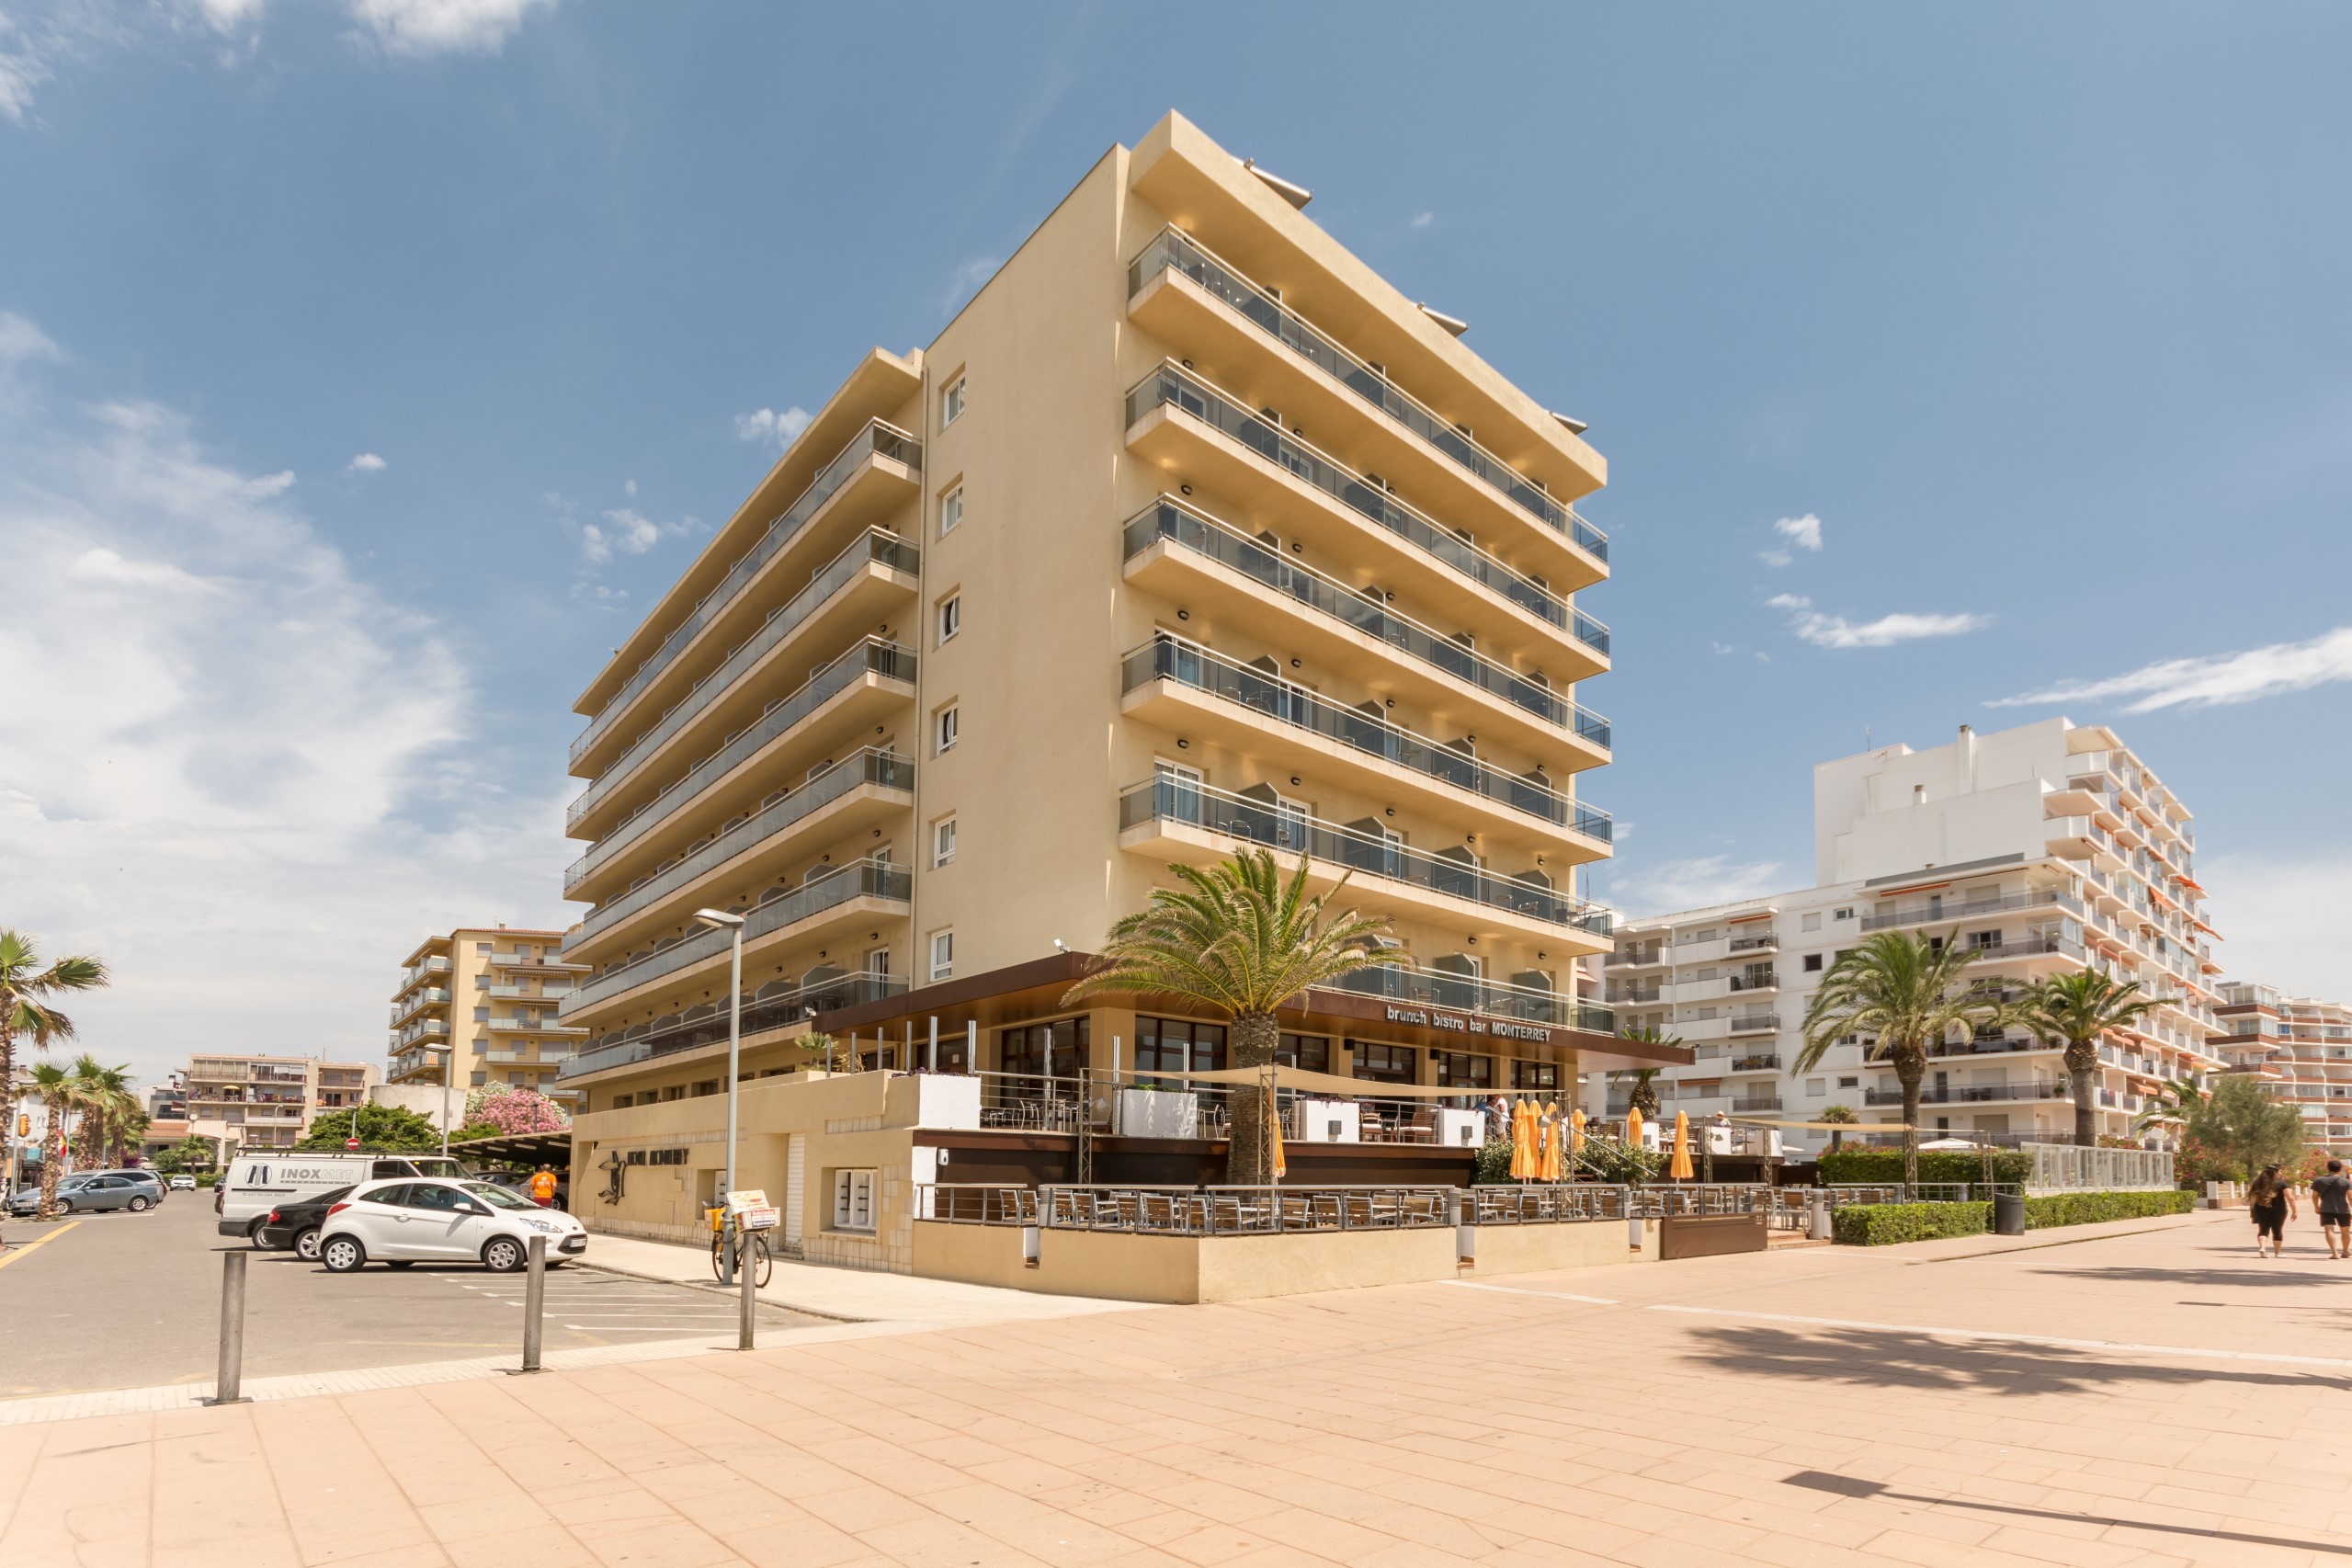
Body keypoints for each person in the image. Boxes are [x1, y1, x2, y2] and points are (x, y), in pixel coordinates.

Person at [2247, 1163, 2295, 1258]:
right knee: (2277, 1230)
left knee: (2263, 1230)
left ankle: (2262, 1248)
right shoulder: (2281, 1183)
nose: (2281, 1173)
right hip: (2278, 1210)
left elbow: (2252, 1197)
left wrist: (2252, 1209)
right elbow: (2290, 1198)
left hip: (2260, 1209)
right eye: (2280, 1171)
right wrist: (2294, 1211)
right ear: (2275, 1172)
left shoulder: (2258, 1182)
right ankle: (2277, 1253)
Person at [2313, 1158, 2352, 1260]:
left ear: (2328, 1168)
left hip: (2326, 1209)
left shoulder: (2319, 1181)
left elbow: (2315, 1196)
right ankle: (2345, 1251)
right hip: (2343, 1210)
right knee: (2345, 1231)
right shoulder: (2346, 1181)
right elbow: (2350, 1197)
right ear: (2340, 1169)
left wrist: (2316, 1207)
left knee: (2329, 1231)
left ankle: (2335, 1253)